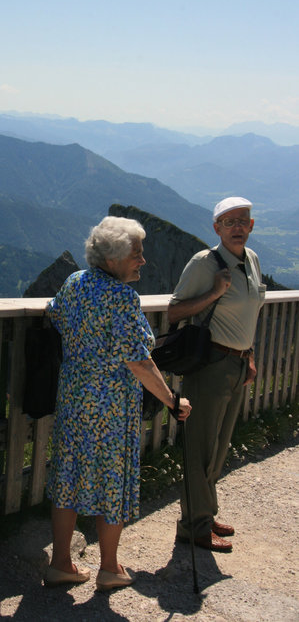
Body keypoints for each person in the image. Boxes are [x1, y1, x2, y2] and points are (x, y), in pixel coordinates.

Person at [43, 215, 191, 591]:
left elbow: (56, 316)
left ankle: (60, 563)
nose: (143, 261)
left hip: (74, 399)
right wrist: (173, 401)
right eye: (136, 254)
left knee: (68, 477)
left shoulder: (74, 283)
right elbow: (139, 361)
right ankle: (109, 567)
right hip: (109, 408)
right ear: (112, 259)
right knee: (112, 480)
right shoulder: (123, 298)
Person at [168, 196, 266, 552]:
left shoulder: (252, 260)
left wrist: (249, 355)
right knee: (200, 447)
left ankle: (205, 515)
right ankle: (193, 525)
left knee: (220, 445)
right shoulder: (204, 263)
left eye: (243, 220)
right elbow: (174, 312)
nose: (238, 227)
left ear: (252, 226)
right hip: (210, 365)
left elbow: (249, 315)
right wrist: (214, 292)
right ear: (216, 229)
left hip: (237, 363)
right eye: (229, 222)